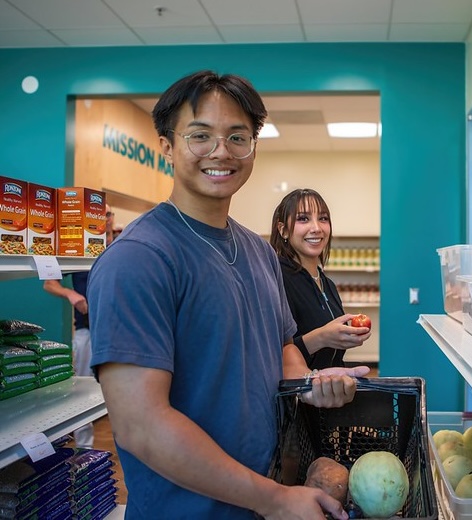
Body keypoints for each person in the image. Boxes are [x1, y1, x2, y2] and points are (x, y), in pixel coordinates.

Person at [86, 70, 369, 520]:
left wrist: (309, 386)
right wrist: (274, 500)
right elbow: (141, 425)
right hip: (189, 510)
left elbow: (280, 350)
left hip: (264, 493)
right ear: (167, 146)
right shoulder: (139, 259)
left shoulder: (257, 250)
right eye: (201, 135)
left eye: (238, 136)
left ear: (253, 147)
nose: (221, 151)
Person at [270, 189, 371, 369]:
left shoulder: (327, 284)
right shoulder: (276, 279)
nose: (316, 228)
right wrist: (321, 337)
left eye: (323, 218)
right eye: (303, 219)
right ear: (283, 230)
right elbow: (270, 354)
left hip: (330, 393)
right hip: (297, 394)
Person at [43, 203, 114, 448]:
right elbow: (49, 283)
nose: (105, 218)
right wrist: (71, 294)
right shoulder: (77, 249)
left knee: (120, 389)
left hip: (117, 331)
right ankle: (85, 449)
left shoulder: (119, 247)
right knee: (83, 391)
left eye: (107, 214)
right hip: (86, 329)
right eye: (100, 214)